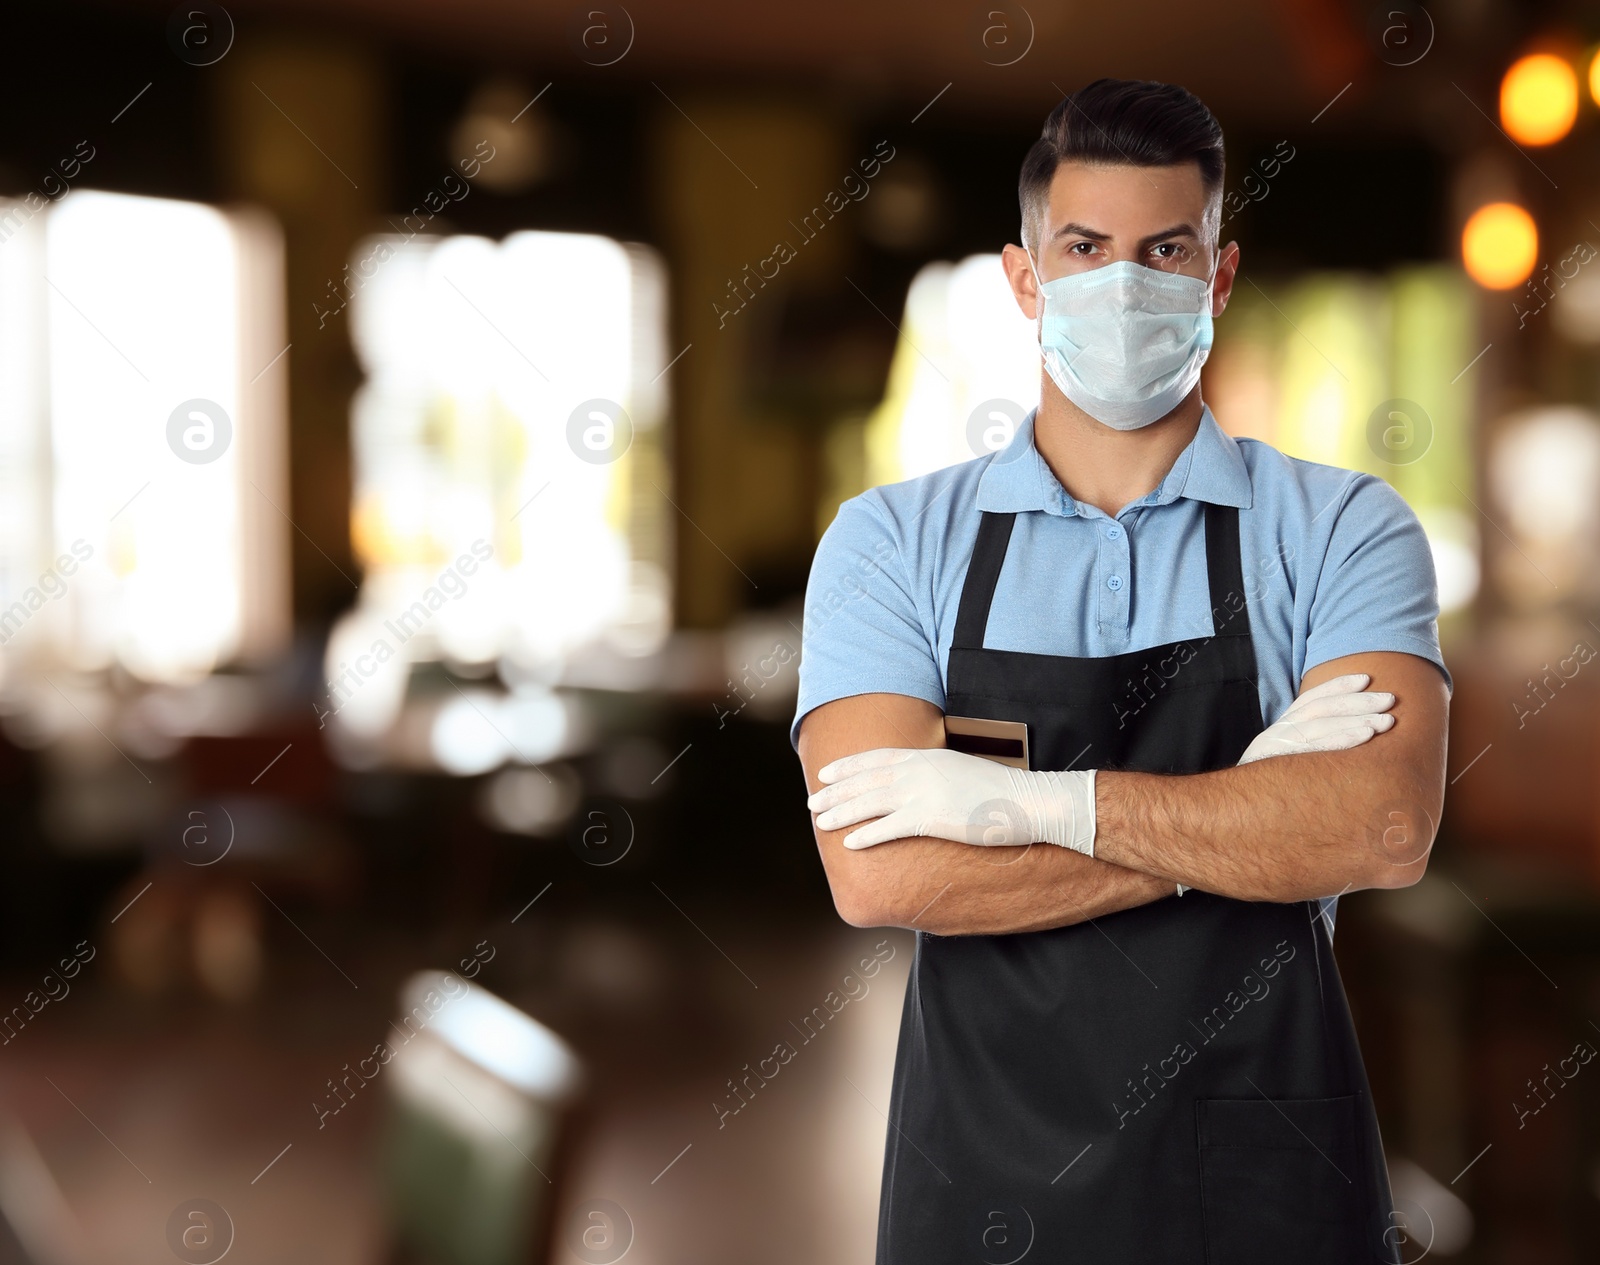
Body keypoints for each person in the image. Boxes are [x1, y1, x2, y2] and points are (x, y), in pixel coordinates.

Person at [792, 78, 1450, 1264]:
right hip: (982, 1171)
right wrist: (1249, 813)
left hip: (1263, 1167)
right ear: (1023, 278)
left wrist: (1024, 808)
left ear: (1221, 275)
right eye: (1085, 249)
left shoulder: (1344, 527)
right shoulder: (888, 542)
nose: (1125, 285)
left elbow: (1385, 823)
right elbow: (879, 873)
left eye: (1166, 250)